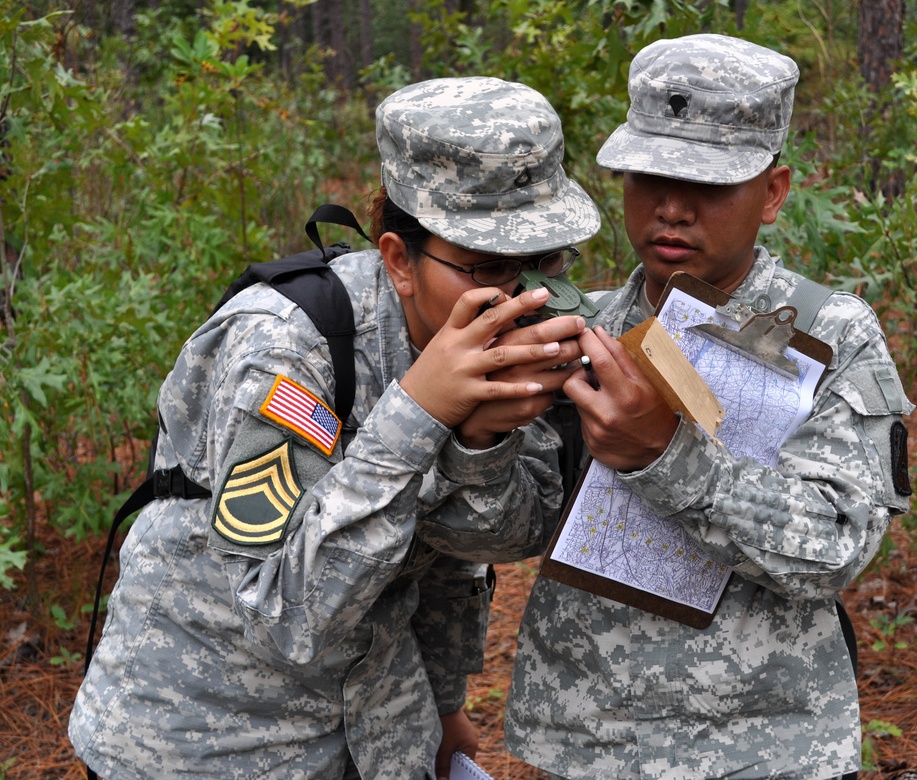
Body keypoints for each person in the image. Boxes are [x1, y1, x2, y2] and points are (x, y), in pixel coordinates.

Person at [69, 76, 601, 780]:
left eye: (548, 262)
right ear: (398, 260)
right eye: (490, 266)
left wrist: (480, 447)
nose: (528, 296)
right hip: (206, 744)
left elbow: (478, 544)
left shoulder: (504, 337)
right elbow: (288, 611)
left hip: (372, 735)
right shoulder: (285, 353)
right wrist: (420, 415)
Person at [505, 34, 914, 779]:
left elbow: (836, 548)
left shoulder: (829, 337)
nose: (672, 208)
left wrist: (668, 456)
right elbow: (506, 529)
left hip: (758, 748)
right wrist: (478, 437)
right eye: (648, 176)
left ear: (774, 192)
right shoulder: (580, 327)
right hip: (582, 737)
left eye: (711, 185)